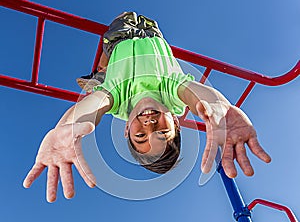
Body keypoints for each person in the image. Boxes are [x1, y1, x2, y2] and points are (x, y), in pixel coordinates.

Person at [23, 12, 271, 202]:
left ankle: (101, 74)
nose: (150, 126)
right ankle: (100, 75)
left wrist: (68, 125)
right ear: (175, 120)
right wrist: (222, 107)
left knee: (112, 49)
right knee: (138, 30)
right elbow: (198, 96)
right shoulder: (172, 92)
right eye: (162, 132)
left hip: (120, 37)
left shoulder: (116, 100)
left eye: (140, 136)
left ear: (126, 129)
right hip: (152, 33)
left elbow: (93, 108)